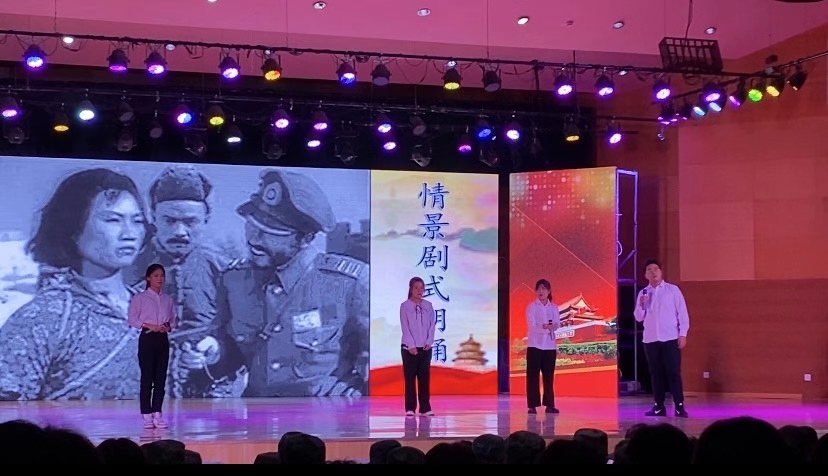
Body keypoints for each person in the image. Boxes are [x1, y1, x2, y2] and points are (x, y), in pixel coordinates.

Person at [210, 168, 369, 397]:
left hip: (326, 416)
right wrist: (213, 353)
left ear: (305, 238)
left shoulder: (351, 284)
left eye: (271, 232)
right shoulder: (233, 280)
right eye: (252, 225)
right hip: (255, 416)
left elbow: (386, 367)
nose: (254, 238)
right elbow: (229, 357)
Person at [0, 168, 149, 401]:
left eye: (137, 221)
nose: (129, 233)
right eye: (113, 220)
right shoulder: (45, 317)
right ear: (73, 228)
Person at [126, 165, 237, 398]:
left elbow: (243, 337)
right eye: (169, 220)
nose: (180, 231)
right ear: (153, 217)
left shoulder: (226, 272)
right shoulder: (124, 270)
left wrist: (216, 350)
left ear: (206, 219)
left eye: (190, 222)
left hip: (208, 394)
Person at [633, 259, 690, 418]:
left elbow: (682, 313)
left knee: (673, 372)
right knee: (656, 374)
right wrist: (642, 305)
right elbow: (638, 317)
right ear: (645, 275)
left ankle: (679, 406)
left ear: (661, 272)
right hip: (651, 339)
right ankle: (659, 406)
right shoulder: (643, 293)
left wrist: (683, 333)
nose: (653, 272)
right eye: (649, 270)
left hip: (670, 337)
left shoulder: (672, 290)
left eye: (656, 269)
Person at [128, 263, 176, 429]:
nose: (159, 279)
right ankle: (146, 415)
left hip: (162, 339)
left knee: (161, 379)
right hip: (147, 338)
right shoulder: (139, 298)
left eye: (162, 275)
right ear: (148, 278)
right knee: (147, 378)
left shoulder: (167, 299)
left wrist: (167, 327)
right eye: (156, 275)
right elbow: (132, 319)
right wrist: (148, 325)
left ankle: (158, 413)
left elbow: (173, 320)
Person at [400, 276, 436, 417]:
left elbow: (432, 326)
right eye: (416, 288)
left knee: (424, 379)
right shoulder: (405, 306)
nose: (419, 290)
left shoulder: (428, 306)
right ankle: (410, 408)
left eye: (421, 288)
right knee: (410, 379)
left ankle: (425, 408)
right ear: (411, 289)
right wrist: (411, 345)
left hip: (425, 348)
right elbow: (405, 327)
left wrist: (429, 341)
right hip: (409, 349)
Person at [525, 278, 561, 414]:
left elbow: (557, 323)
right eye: (539, 288)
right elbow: (532, 326)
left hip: (550, 346)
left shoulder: (554, 307)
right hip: (534, 345)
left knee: (548, 376)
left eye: (544, 288)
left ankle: (550, 405)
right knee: (533, 376)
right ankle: (532, 406)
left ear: (549, 291)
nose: (541, 291)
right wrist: (545, 327)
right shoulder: (532, 307)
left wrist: (552, 327)